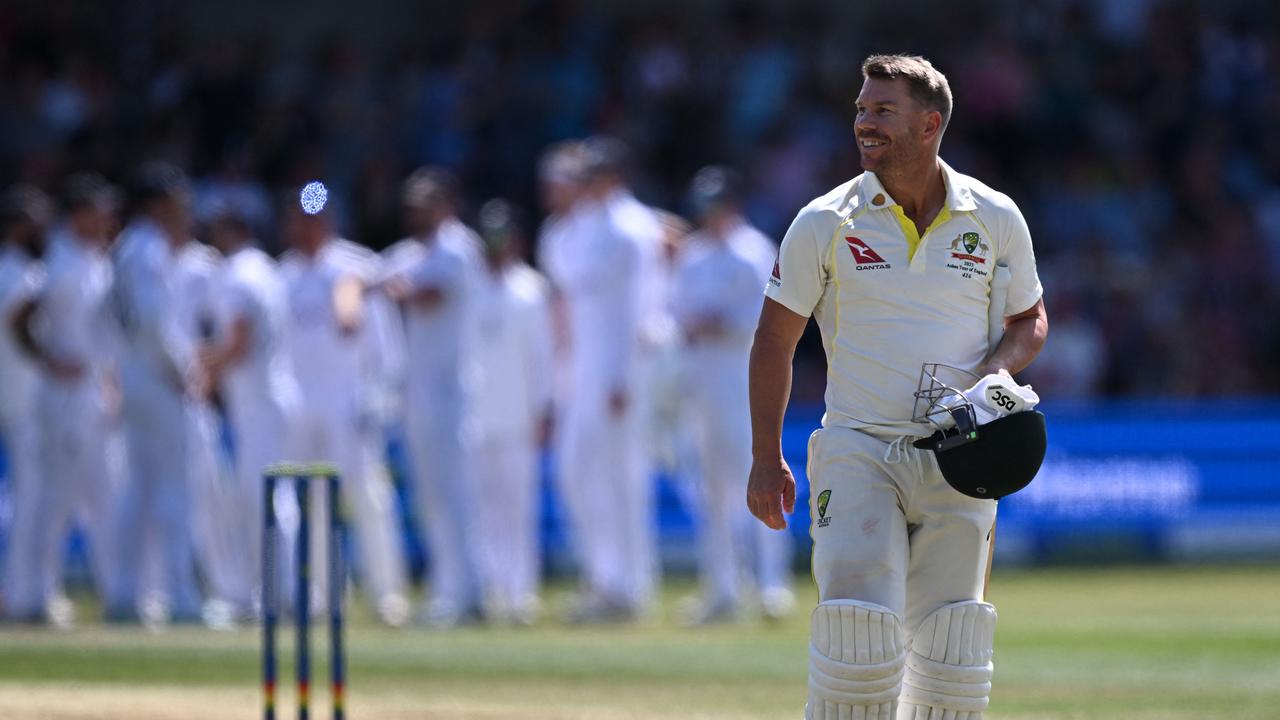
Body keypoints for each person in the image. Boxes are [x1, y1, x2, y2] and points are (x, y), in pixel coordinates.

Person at [746, 55, 1046, 719]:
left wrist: (997, 371)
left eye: (883, 110)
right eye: (861, 109)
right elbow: (773, 339)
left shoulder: (993, 217)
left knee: (952, 658)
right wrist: (768, 457)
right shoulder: (825, 221)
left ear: (930, 123)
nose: (864, 122)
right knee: (858, 641)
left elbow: (1029, 318)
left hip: (960, 451)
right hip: (859, 447)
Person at [540, 138, 661, 622]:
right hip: (583, 371)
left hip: (620, 372)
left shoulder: (631, 229)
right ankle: (604, 577)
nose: (584, 185)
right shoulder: (580, 228)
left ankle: (629, 587)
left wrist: (622, 379)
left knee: (623, 478)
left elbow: (640, 310)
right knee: (575, 472)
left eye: (593, 176)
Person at [279, 190, 409, 626]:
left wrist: (380, 396)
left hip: (348, 400)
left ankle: (387, 592)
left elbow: (385, 343)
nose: (304, 226)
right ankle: (321, 592)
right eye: (298, 217)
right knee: (312, 500)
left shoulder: (358, 266)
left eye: (312, 217)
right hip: (303, 402)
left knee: (367, 497)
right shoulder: (285, 274)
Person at [673, 166, 793, 624]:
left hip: (745, 384)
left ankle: (770, 587)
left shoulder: (753, 252)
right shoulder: (692, 256)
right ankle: (722, 587)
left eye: (716, 206)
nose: (709, 216)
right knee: (712, 491)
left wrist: (720, 322)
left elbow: (768, 321)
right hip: (703, 384)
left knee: (760, 479)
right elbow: (677, 313)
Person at [380, 168, 482, 627]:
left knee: (453, 490)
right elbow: (375, 277)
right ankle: (449, 587)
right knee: (429, 493)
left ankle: (464, 591)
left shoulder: (458, 246)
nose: (418, 212)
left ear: (446, 204)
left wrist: (395, 286)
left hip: (451, 387)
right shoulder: (412, 252)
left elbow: (428, 293)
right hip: (421, 388)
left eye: (427, 203)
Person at [106, 163, 205, 623]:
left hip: (134, 372)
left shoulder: (126, 246)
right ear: (157, 203)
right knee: (173, 489)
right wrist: (179, 368)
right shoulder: (149, 247)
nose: (182, 208)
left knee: (139, 488)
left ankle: (126, 594)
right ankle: (181, 596)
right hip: (156, 375)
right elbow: (151, 318)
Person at [201, 202, 302, 620]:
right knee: (272, 492)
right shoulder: (266, 269)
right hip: (267, 397)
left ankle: (279, 591)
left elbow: (237, 344)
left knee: (265, 495)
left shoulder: (240, 275)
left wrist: (199, 370)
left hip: (259, 400)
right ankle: (279, 588)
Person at [468, 199, 554, 625]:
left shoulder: (530, 289)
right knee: (484, 508)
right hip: (477, 417)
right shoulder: (470, 288)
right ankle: (490, 588)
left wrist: (543, 408)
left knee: (518, 508)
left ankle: (520, 592)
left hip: (518, 415)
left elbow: (541, 357)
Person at [0, 185, 52, 621]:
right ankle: (19, 596)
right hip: (21, 396)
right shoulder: (22, 270)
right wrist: (48, 361)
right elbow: (18, 320)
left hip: (13, 392)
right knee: (29, 496)